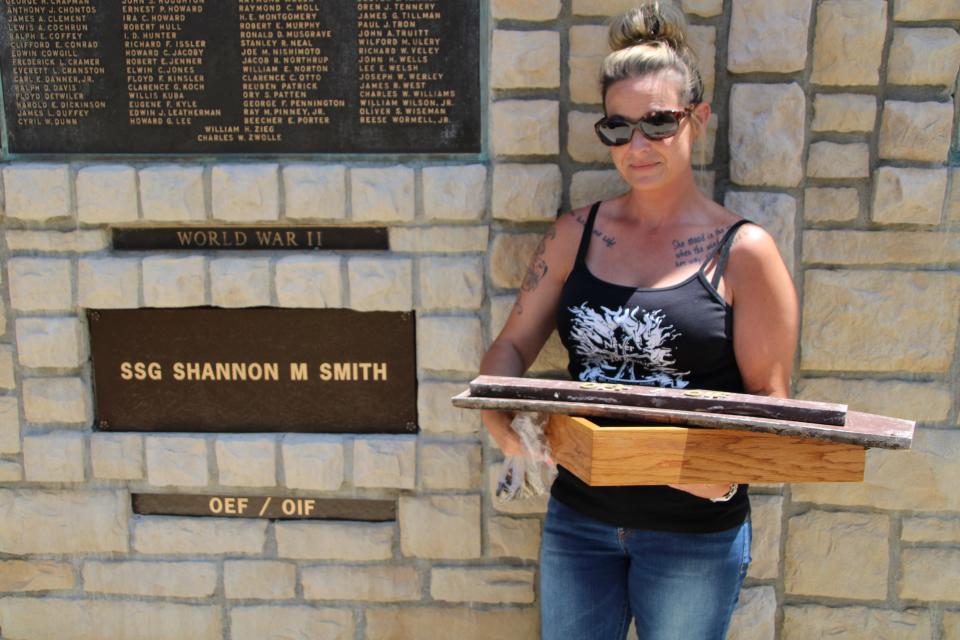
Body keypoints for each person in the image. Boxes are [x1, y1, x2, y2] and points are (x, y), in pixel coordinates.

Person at [478, 2, 799, 638]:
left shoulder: (744, 251)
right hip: (580, 520)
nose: (638, 145)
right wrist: (500, 420)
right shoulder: (577, 233)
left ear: (697, 120)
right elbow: (512, 345)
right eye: (619, 128)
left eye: (659, 123)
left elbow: (771, 402)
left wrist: (725, 473)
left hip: (692, 535)